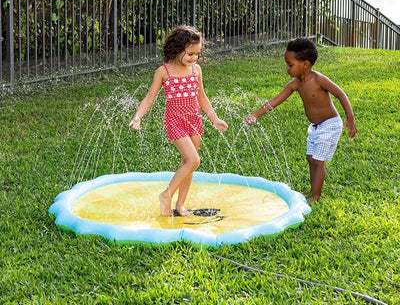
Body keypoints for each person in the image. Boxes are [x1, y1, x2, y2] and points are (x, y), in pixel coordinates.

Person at [129, 25, 228, 216]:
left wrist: (214, 119)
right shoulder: (164, 71)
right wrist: (138, 116)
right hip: (175, 121)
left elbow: (202, 97)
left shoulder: (196, 70)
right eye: (190, 54)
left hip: (194, 120)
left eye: (197, 54)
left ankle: (180, 204)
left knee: (187, 163)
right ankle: (166, 194)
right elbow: (150, 97)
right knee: (193, 160)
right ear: (176, 49)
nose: (193, 58)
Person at [244, 37, 357, 203]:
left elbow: (341, 94)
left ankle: (316, 196)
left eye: (290, 65)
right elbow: (274, 101)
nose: (287, 68)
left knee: (318, 161)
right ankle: (313, 190)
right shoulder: (295, 85)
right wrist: (255, 115)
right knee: (311, 159)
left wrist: (351, 119)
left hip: (330, 125)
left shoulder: (319, 80)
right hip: (316, 127)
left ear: (305, 64)